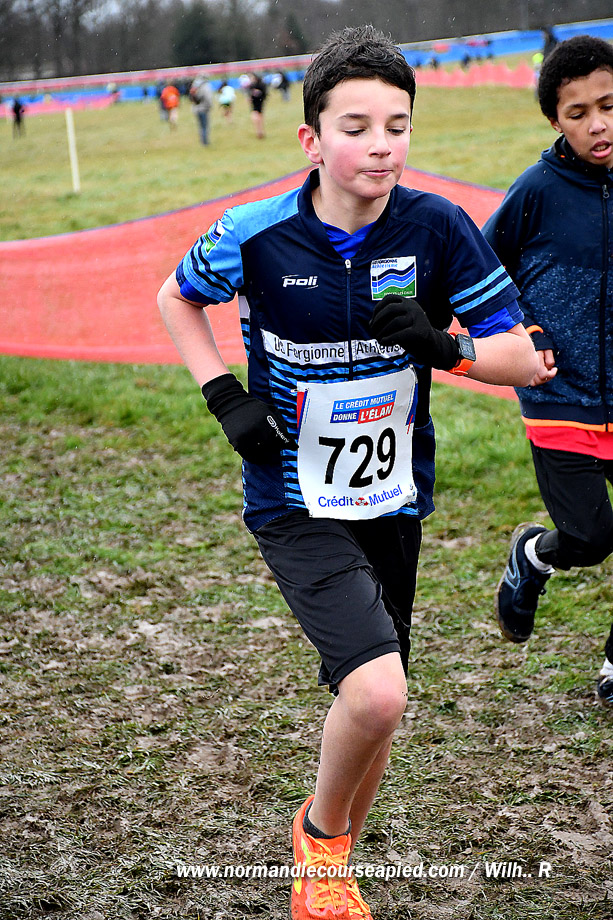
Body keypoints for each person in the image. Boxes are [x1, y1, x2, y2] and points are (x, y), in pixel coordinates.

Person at [158, 25, 537, 919]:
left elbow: (523, 356)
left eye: (396, 127)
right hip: (291, 499)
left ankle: (328, 873)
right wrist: (223, 395)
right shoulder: (253, 233)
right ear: (311, 139)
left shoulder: (437, 227)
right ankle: (320, 842)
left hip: (391, 498)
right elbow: (176, 296)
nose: (380, 147)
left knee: (377, 706)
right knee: (378, 690)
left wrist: (445, 346)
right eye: (356, 127)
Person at [482, 35, 613, 708]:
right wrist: (526, 331)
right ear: (555, 120)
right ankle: (533, 556)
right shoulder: (535, 191)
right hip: (560, 397)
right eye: (578, 113)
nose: (597, 124)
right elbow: (481, 272)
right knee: (590, 538)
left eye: (609, 105)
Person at [189, 75, 214, 145]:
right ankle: (205, 142)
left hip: (196, 109)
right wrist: (210, 106)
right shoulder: (205, 87)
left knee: (201, 126)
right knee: (205, 126)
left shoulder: (195, 86)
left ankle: (202, 140)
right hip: (204, 108)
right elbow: (208, 98)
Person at [247, 72, 267, 138]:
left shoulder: (260, 85)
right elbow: (249, 95)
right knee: (257, 117)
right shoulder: (252, 86)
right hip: (255, 103)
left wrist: (258, 93)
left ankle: (260, 131)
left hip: (259, 102)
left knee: (257, 117)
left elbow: (264, 94)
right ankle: (259, 131)